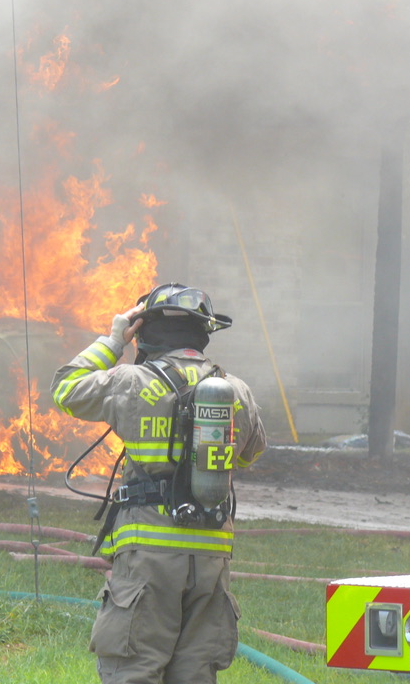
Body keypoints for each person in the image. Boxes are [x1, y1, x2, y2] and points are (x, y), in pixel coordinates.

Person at [51, 283, 267, 684]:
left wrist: (114, 340)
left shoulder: (131, 381)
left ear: (146, 331)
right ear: (203, 332)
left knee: (134, 668)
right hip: (211, 554)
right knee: (195, 673)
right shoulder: (235, 391)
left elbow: (65, 388)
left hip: (149, 552)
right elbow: (249, 453)